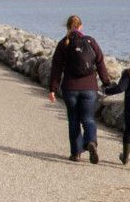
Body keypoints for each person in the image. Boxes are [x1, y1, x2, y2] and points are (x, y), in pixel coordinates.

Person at [47, 14, 114, 163]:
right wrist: (106, 82)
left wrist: (52, 88)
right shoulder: (90, 41)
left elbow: (56, 68)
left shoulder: (63, 43)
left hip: (70, 88)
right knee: (88, 119)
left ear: (68, 27)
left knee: (73, 120)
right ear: (81, 27)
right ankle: (90, 141)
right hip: (89, 87)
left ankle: (76, 153)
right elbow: (100, 62)